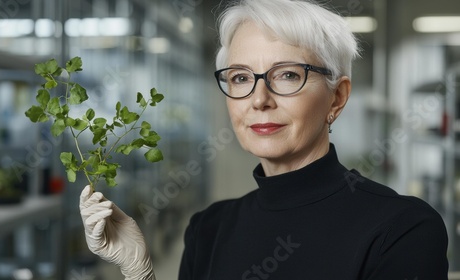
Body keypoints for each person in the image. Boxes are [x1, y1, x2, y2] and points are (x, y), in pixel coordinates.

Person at [79, 0, 449, 279]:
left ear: (337, 97)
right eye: (240, 78)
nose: (259, 100)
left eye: (287, 75)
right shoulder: (209, 228)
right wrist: (139, 270)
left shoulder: (402, 229)